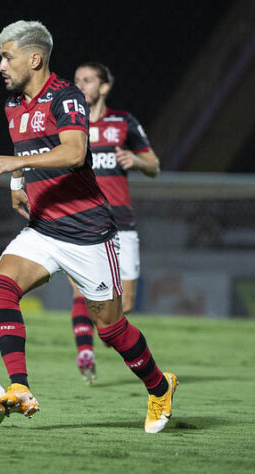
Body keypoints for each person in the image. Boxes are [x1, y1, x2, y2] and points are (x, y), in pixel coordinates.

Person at [0, 20, 177, 433]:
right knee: (0, 287)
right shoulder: (14, 104)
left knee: (111, 329)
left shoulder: (66, 98)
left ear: (34, 58)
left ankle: (160, 387)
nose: (1, 65)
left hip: (88, 233)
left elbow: (73, 153)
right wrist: (18, 183)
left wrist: (17, 165)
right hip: (42, 229)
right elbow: (26, 148)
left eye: (7, 56)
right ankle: (19, 386)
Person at [67, 62, 161, 384]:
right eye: (76, 79)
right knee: (82, 291)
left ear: (104, 87)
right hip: (83, 220)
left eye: (88, 80)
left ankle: (102, 335)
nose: (80, 85)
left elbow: (154, 165)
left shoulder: (123, 123)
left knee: (123, 306)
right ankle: (84, 351)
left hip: (122, 222)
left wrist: (134, 160)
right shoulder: (67, 124)